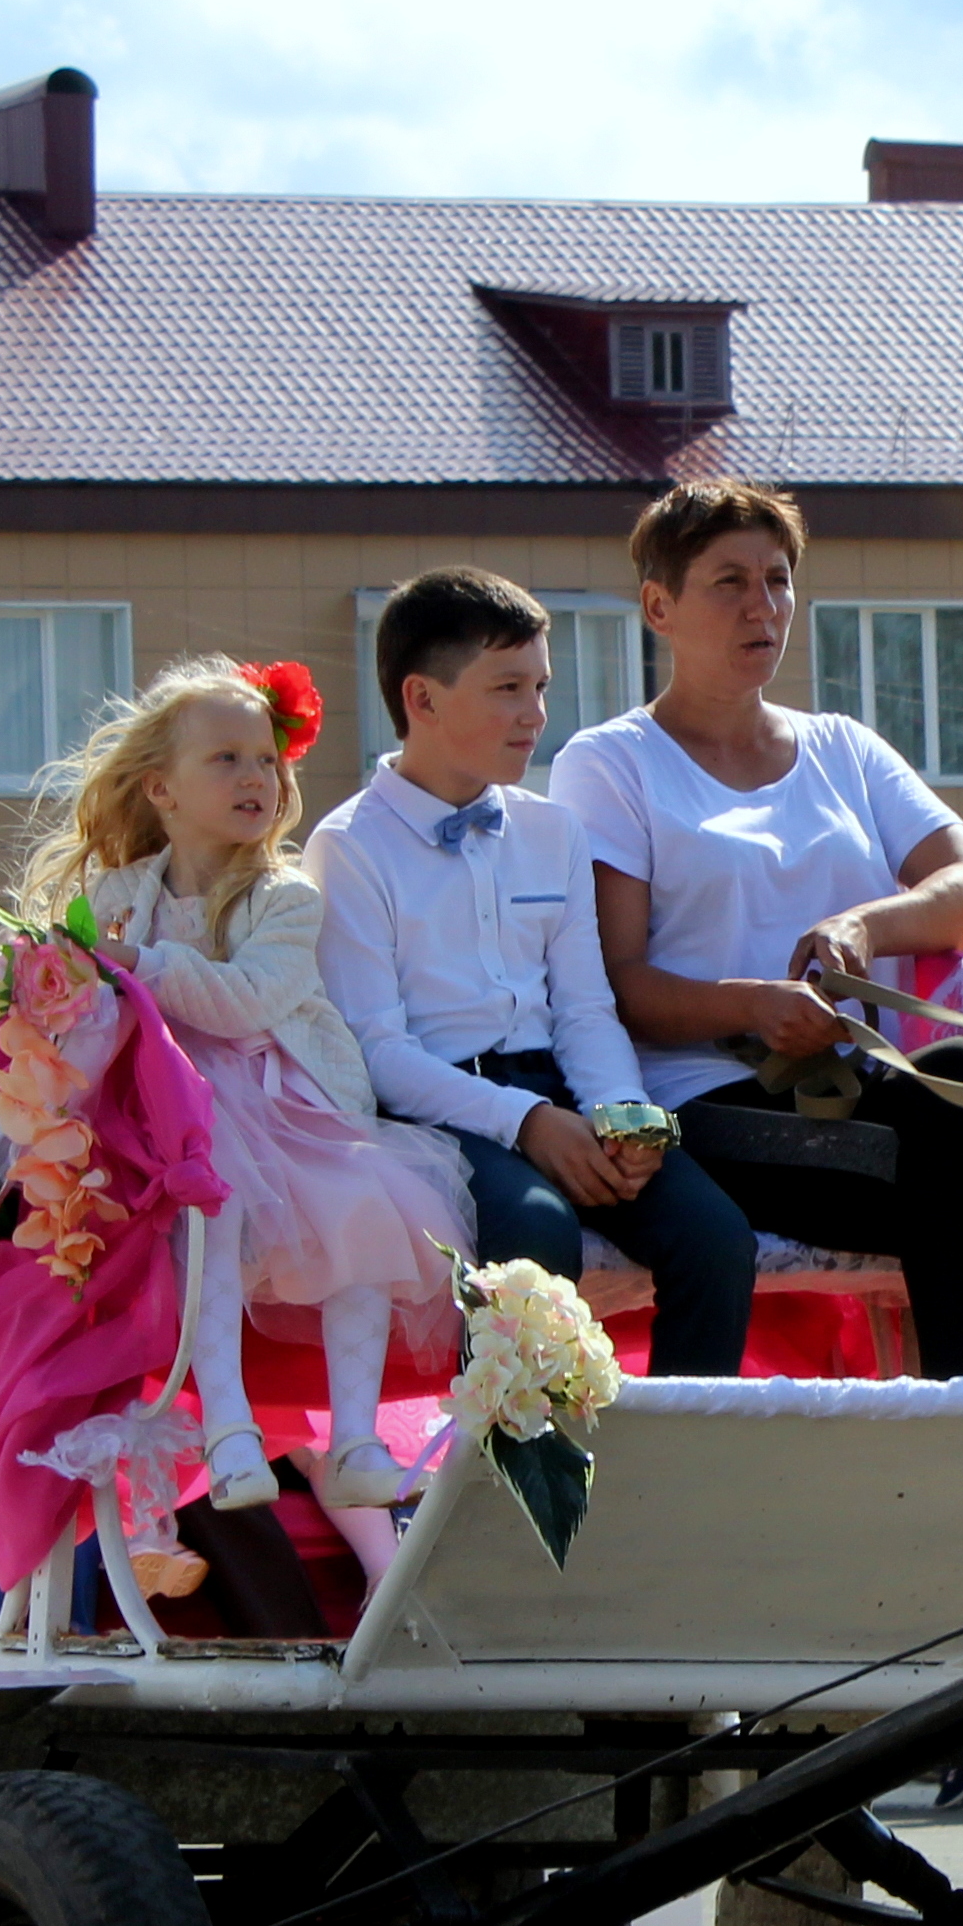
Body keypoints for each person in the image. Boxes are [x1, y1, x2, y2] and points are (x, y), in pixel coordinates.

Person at [553, 481, 963, 1381]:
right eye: (728, 581)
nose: (760, 606)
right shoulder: (609, 762)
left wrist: (862, 924)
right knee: (948, 1174)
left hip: (851, 1092)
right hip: (702, 1102)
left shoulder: (845, 747)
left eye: (776, 581)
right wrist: (755, 1006)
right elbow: (617, 984)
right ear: (659, 606)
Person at [22, 654, 475, 1511]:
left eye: (266, 759)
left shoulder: (284, 896)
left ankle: (353, 1439)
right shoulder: (118, 897)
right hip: (162, 1109)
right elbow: (83, 1004)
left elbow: (247, 1001)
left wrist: (142, 963)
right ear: (160, 788)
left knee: (364, 1217)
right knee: (209, 1208)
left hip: (283, 1105)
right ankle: (229, 1429)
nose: (255, 777)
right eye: (225, 758)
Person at [315, 569, 755, 1378]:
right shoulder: (348, 847)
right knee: (537, 1237)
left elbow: (586, 1007)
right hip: (437, 1115)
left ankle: (675, 1482)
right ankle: (520, 1488)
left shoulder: (553, 830)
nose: (536, 714)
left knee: (717, 1240)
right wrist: (524, 1122)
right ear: (423, 699)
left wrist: (623, 1121)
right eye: (508, 688)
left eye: (542, 686)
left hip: (562, 1093)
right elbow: (377, 1052)